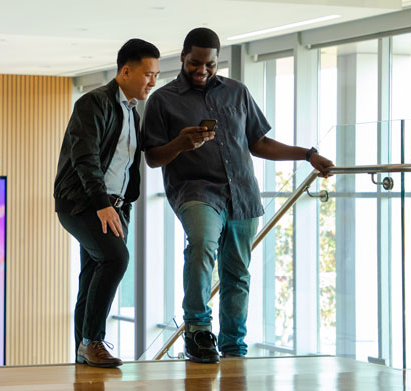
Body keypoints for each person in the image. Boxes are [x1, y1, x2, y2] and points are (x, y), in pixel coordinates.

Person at [142, 28, 334, 363]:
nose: (202, 71)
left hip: (242, 193)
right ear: (183, 56)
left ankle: (233, 348)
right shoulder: (163, 99)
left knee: (238, 273)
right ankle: (198, 331)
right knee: (202, 244)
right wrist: (181, 144)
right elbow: (153, 156)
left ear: (218, 61)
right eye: (195, 64)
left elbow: (258, 143)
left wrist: (307, 154)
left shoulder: (236, 92)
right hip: (196, 190)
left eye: (210, 65)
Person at [54, 38, 160, 368]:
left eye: (156, 75)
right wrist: (101, 203)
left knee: (93, 276)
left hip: (115, 206)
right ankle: (92, 342)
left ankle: (82, 353)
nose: (153, 82)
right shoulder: (93, 103)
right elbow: (85, 157)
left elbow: (126, 163)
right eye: (147, 74)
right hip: (81, 203)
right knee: (116, 259)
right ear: (126, 71)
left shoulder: (132, 112)